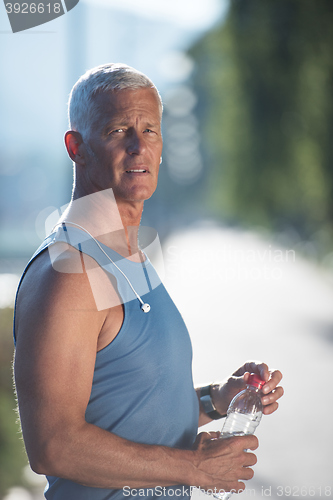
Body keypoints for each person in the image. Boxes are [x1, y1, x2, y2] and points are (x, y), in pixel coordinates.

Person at [13, 63, 283, 500]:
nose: (139, 146)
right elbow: (54, 446)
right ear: (77, 148)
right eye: (119, 130)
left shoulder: (128, 257)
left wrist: (216, 399)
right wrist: (194, 467)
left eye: (151, 131)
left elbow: (129, 411)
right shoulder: (69, 272)